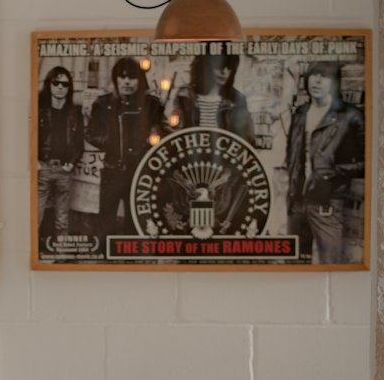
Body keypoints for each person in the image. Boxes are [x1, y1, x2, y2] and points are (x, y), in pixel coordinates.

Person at [284, 60, 365, 263]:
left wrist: (333, 172)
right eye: (314, 75)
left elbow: (368, 162)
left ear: (334, 82)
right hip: (296, 201)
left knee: (330, 264)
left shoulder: (351, 116)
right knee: (294, 265)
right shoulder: (301, 114)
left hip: (328, 202)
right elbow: (292, 154)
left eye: (325, 76)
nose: (317, 81)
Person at [83, 57, 166, 231]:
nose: (126, 82)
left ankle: (131, 256)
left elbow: (161, 135)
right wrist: (111, 142)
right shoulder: (103, 103)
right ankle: (105, 255)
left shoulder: (151, 104)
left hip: (140, 173)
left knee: (135, 221)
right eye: (122, 77)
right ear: (115, 79)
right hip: (112, 171)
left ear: (140, 80)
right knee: (105, 222)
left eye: (132, 77)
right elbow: (90, 133)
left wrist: (148, 142)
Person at [37, 65, 85, 241]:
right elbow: (29, 135)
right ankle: (33, 252)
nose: (60, 87)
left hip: (64, 170)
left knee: (62, 217)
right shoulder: (39, 109)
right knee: (36, 215)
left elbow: (79, 141)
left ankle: (61, 251)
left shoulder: (75, 112)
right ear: (49, 84)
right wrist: (36, 161)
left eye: (64, 84)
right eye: (56, 83)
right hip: (42, 167)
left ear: (69, 87)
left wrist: (71, 163)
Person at [171, 51, 256, 143]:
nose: (224, 72)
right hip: (191, 155)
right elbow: (173, 134)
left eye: (229, 68)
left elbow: (247, 140)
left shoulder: (237, 100)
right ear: (206, 65)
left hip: (224, 156)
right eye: (220, 66)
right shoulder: (185, 95)